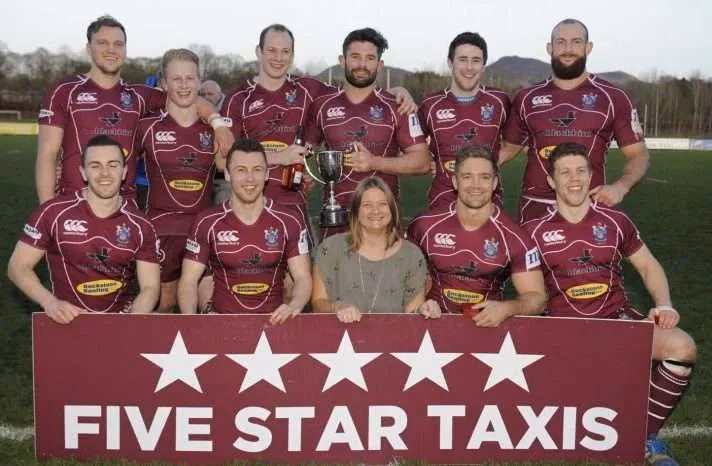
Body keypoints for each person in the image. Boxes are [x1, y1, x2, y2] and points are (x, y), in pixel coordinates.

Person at [524, 142, 696, 466]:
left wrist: (665, 304)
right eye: (565, 172)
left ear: (591, 175)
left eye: (580, 171)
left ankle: (643, 436)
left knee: (682, 347)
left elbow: (649, 266)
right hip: (563, 333)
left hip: (617, 322)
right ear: (551, 181)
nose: (574, 179)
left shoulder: (616, 221)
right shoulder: (532, 232)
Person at [222, 24, 418, 216]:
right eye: (272, 50)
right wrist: (278, 157)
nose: (278, 58)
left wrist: (397, 92)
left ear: (292, 54)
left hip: (293, 203)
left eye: (285, 51)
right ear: (259, 51)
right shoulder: (237, 98)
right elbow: (223, 161)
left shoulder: (309, 89)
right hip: (247, 201)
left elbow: (357, 90)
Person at [35, 15, 231, 204]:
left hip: (124, 208)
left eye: (118, 44)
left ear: (125, 50)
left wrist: (219, 125)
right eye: (102, 43)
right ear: (88, 48)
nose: (111, 49)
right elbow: (47, 156)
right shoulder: (64, 92)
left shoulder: (138, 96)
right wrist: (47, 212)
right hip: (74, 206)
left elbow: (190, 98)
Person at [498, 18, 649, 223]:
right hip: (535, 208)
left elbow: (638, 154)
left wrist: (621, 187)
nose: (568, 49)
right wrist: (460, 166)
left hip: (589, 206)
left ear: (588, 47)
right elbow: (506, 150)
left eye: (576, 42)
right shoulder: (526, 98)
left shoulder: (614, 97)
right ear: (550, 48)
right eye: (561, 42)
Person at [7, 135, 161, 324]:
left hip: (119, 321)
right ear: (83, 173)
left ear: (124, 172)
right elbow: (17, 267)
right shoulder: (53, 213)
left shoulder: (141, 225)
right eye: (95, 166)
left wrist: (131, 320)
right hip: (66, 320)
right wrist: (50, 302)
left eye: (113, 165)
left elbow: (150, 287)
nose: (105, 173)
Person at [305, 27, 430, 238]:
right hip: (335, 224)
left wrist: (374, 162)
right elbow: (305, 151)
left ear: (380, 65)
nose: (362, 65)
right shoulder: (321, 106)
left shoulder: (398, 106)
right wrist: (304, 173)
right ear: (342, 60)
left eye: (370, 58)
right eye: (355, 56)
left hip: (382, 224)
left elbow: (422, 161)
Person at [408, 145, 547, 324]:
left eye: (484, 177)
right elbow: (405, 280)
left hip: (486, 328)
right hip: (432, 324)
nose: (476, 185)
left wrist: (506, 308)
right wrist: (421, 306)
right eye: (467, 177)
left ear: (495, 183)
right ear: (455, 182)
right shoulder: (424, 225)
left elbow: (537, 298)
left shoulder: (515, 236)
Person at [178, 138, 311, 323]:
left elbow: (302, 277)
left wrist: (294, 305)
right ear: (227, 174)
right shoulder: (207, 221)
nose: (250, 178)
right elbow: (189, 280)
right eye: (241, 170)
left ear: (266, 174)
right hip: (222, 324)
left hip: (274, 324)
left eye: (257, 170)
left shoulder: (290, 220)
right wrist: (192, 323)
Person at [133, 49, 224, 312]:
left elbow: (239, 164)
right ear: (164, 83)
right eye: (176, 79)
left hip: (203, 233)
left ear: (199, 81)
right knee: (163, 306)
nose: (184, 85)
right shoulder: (146, 127)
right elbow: (117, 167)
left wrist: (283, 157)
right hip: (161, 232)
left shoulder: (215, 130)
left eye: (190, 78)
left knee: (209, 308)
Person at [311, 176, 433, 322]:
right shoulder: (330, 248)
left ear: (392, 209)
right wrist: (337, 307)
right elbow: (318, 304)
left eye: (383, 204)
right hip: (339, 335)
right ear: (356, 211)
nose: (375, 211)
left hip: (394, 336)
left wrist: (424, 310)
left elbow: (412, 314)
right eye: (367, 205)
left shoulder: (411, 255)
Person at [418, 32, 510, 209]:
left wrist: (493, 163)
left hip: (489, 204)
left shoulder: (500, 101)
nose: (469, 67)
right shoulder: (430, 105)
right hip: (443, 202)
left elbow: (516, 139)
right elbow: (410, 147)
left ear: (483, 66)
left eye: (476, 60)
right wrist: (428, 160)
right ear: (450, 63)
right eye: (462, 59)